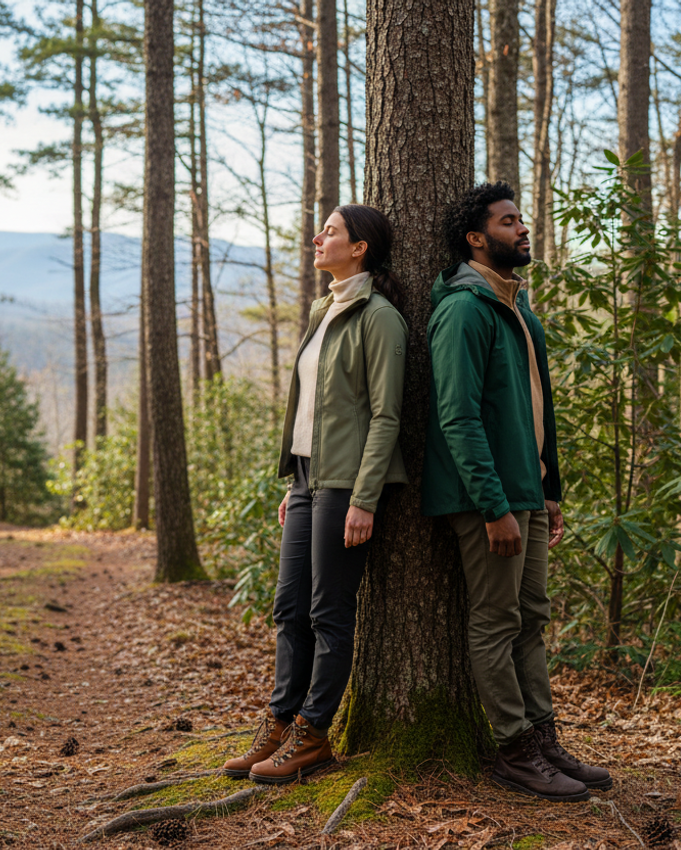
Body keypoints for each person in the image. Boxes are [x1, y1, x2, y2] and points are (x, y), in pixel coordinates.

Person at [422, 182, 611, 802]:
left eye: (520, 219)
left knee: (531, 618)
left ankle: (544, 737)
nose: (521, 228)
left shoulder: (517, 310)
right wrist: (494, 504)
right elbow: (458, 417)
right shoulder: (462, 309)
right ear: (477, 238)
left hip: (525, 493)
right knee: (496, 618)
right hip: (487, 501)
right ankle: (513, 750)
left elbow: (537, 409)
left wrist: (547, 488)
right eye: (508, 221)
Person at [223, 204, 409, 785]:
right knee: (288, 608)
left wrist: (364, 496)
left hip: (345, 483)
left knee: (329, 611)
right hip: (306, 480)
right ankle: (279, 721)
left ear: (359, 249)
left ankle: (312, 733)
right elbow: (310, 407)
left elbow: (386, 416)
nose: (316, 237)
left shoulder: (379, 318)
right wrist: (294, 478)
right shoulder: (322, 309)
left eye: (329, 230)